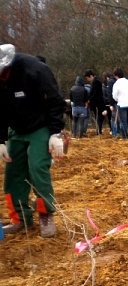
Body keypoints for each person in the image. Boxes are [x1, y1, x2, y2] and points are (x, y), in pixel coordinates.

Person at [0, 44, 67, 238]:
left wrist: (56, 133)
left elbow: (55, 100)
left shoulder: (34, 69)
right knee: (13, 173)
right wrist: (1, 139)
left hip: (40, 126)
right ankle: (20, 218)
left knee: (37, 167)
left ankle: (45, 214)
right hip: (16, 129)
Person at [112, 67, 128, 139]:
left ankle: (124, 135)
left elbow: (114, 95)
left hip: (121, 104)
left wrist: (117, 99)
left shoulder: (117, 84)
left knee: (123, 121)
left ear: (116, 75)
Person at [84, 69, 106, 135]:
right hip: (96, 103)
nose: (87, 80)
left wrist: (89, 100)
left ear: (91, 76)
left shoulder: (96, 82)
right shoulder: (94, 82)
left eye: (87, 78)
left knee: (98, 117)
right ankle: (98, 130)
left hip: (98, 103)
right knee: (97, 117)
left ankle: (99, 131)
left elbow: (95, 93)